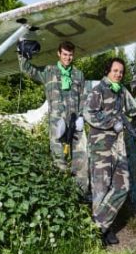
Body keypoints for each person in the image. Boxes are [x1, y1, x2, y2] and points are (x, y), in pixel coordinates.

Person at [84, 57, 136, 246]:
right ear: (108, 71)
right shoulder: (98, 90)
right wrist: (111, 122)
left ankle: (98, 226)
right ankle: (102, 232)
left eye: (121, 72)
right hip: (101, 147)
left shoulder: (121, 91)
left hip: (118, 146)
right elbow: (89, 113)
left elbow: (135, 110)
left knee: (122, 187)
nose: (118, 74)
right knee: (101, 189)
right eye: (115, 70)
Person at [19, 39, 89, 196]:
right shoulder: (48, 71)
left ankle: (81, 196)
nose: (67, 58)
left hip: (75, 124)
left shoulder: (78, 74)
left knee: (82, 159)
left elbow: (84, 97)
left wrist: (82, 116)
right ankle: (61, 197)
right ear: (59, 54)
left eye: (70, 55)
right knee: (59, 161)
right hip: (57, 125)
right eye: (65, 54)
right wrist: (22, 53)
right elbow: (26, 69)